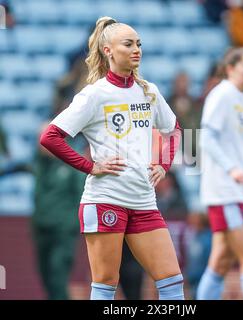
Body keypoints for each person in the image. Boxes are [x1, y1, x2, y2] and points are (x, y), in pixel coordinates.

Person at [40, 16, 183, 300]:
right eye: (128, 44)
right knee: (105, 286)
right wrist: (90, 166)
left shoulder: (149, 91)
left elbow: (176, 130)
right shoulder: (94, 95)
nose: (136, 50)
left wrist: (163, 165)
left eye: (139, 44)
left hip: (144, 201)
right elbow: (50, 137)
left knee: (172, 281)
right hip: (105, 199)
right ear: (108, 51)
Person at [197, 47, 243, 300]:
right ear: (231, 68)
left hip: (242, 190)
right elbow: (207, 139)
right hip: (225, 191)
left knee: (220, 262)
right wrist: (231, 168)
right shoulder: (221, 95)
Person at [32, 124, 86, 300]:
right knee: (45, 277)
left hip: (63, 231)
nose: (41, 144)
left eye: (45, 139)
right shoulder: (40, 165)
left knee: (58, 277)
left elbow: (82, 196)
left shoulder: (72, 164)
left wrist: (70, 225)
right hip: (41, 229)